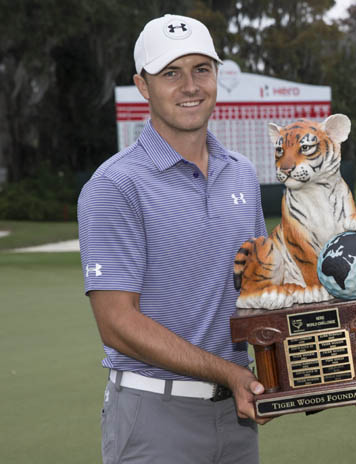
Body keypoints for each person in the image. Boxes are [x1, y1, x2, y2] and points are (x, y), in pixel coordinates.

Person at [77, 14, 269, 464]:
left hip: (237, 416)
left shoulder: (240, 171)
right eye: (170, 73)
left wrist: (303, 361)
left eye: (201, 69)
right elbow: (117, 324)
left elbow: (258, 285)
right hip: (155, 418)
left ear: (217, 75)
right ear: (143, 86)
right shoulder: (115, 185)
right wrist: (230, 373)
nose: (190, 86)